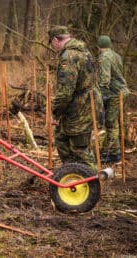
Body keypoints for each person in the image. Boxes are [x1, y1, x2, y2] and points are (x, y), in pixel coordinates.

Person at [48, 25, 96, 170]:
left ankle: (91, 182)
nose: (53, 47)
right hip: (85, 106)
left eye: (51, 43)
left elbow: (65, 92)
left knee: (79, 149)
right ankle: (72, 173)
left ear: (56, 40)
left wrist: (55, 113)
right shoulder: (85, 52)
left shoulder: (68, 57)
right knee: (62, 139)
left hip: (79, 110)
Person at [97, 35, 129, 163]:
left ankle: (113, 154)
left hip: (115, 93)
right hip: (123, 91)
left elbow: (105, 79)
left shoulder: (104, 57)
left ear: (99, 46)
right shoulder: (117, 56)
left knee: (111, 123)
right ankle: (119, 148)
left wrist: (100, 94)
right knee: (120, 121)